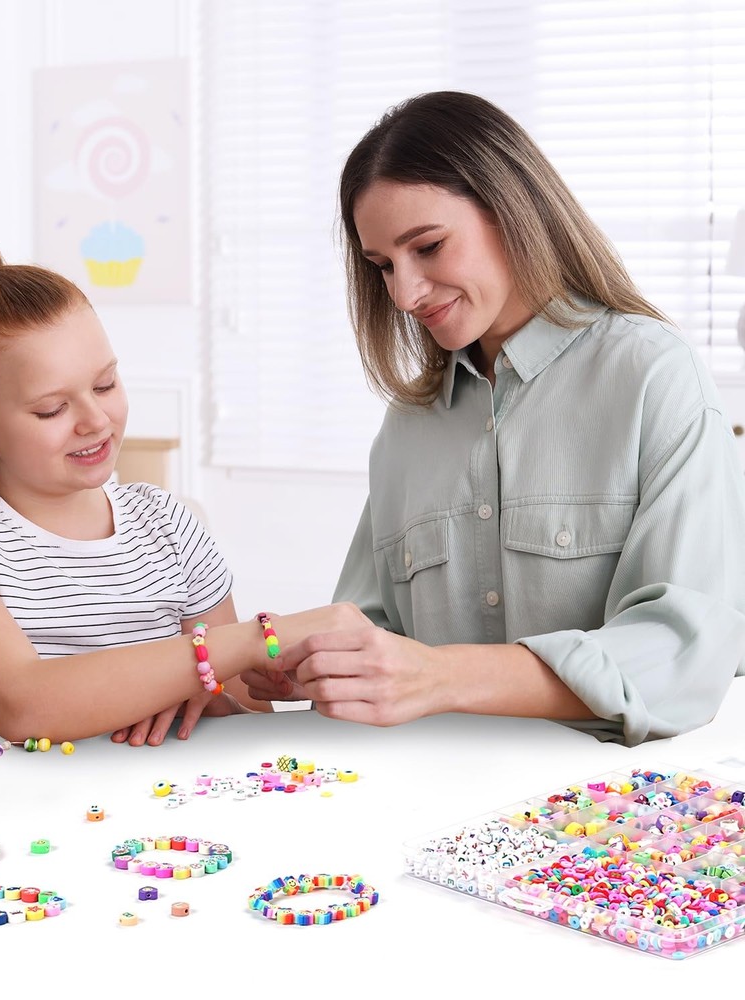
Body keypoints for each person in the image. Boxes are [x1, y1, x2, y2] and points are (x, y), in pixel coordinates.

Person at [242, 90, 745, 747]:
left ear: (512, 209)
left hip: (609, 800)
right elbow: (376, 629)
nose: (404, 293)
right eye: (383, 267)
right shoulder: (407, 428)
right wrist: (320, 670)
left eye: (428, 246)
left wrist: (441, 677)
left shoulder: (653, 376)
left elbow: (682, 651)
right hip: (430, 792)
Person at [0, 241, 354, 744]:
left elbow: (244, 715)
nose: (95, 420)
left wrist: (216, 703)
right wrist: (247, 642)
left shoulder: (170, 525)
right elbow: (22, 704)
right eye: (52, 409)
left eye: (105, 384)